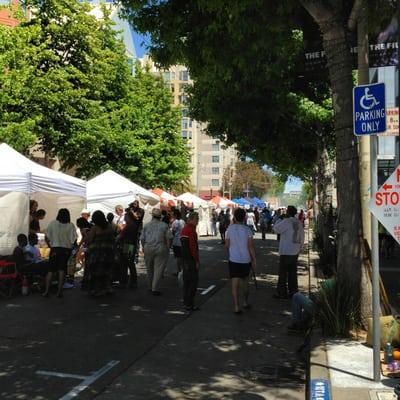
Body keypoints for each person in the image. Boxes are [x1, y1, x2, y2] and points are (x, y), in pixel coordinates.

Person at [225, 208, 257, 314]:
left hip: (233, 259)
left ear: (234, 216)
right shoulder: (248, 230)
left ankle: (236, 307)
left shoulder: (229, 229)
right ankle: (245, 302)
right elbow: (251, 246)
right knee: (245, 283)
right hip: (245, 260)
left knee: (234, 283)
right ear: (244, 217)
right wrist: (254, 259)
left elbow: (227, 245)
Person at [43, 208, 77, 298]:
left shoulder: (52, 223)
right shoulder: (71, 225)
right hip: (65, 250)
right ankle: (59, 291)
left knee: (50, 271)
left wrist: (50, 246)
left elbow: (46, 236)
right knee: (62, 270)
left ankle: (47, 291)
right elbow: (73, 239)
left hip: (55, 249)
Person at [273, 205, 305, 299]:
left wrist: (280, 219)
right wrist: (300, 248)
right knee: (292, 273)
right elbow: (302, 237)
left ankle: (282, 292)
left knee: (283, 273)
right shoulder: (299, 222)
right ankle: (293, 292)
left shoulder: (286, 221)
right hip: (295, 251)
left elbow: (276, 229)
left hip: (286, 251)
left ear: (287, 212)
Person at [140, 208, 173, 295]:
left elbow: (142, 239)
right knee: (158, 268)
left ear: (152, 216)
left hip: (148, 247)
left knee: (149, 268)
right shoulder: (164, 225)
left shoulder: (147, 225)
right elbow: (169, 237)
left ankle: (150, 286)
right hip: (160, 247)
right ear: (160, 217)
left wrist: (144, 247)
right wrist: (168, 248)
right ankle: (155, 288)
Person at [85, 210, 115, 297]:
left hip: (97, 253)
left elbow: (89, 240)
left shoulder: (95, 227)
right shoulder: (110, 226)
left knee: (97, 271)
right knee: (107, 270)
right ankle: (108, 288)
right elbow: (113, 238)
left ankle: (98, 290)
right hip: (108, 251)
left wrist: (86, 234)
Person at [116, 206, 141, 289]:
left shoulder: (129, 226)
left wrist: (118, 238)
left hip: (127, 245)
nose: (125, 219)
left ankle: (124, 282)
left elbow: (121, 235)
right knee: (130, 263)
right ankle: (133, 282)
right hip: (131, 245)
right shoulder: (135, 224)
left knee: (124, 263)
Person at [180, 212, 200, 311]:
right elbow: (193, 247)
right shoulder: (191, 231)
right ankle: (189, 303)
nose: (198, 221)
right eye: (196, 219)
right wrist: (196, 260)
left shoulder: (184, 229)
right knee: (193, 282)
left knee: (187, 282)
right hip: (190, 260)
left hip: (185, 259)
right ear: (191, 219)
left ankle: (186, 302)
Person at [171, 209, 185, 275]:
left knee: (178, 257)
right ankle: (182, 270)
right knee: (182, 256)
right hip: (182, 241)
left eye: (173, 214)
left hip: (176, 241)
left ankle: (179, 270)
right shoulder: (183, 221)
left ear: (175, 215)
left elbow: (173, 232)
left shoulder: (174, 222)